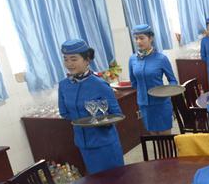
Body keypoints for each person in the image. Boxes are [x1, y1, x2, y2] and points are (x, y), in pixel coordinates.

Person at [58, 38, 124, 175]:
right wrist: (81, 120)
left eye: (74, 59)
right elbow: (64, 112)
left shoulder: (100, 84)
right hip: (83, 144)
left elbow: (116, 114)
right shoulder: (64, 85)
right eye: (66, 59)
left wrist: (98, 121)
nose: (69, 63)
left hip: (105, 144)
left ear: (87, 60)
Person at [128, 24, 177, 134]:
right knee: (153, 135)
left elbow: (173, 80)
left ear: (150, 38)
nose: (138, 42)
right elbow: (133, 82)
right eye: (136, 38)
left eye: (141, 38)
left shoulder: (161, 58)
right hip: (144, 105)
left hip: (161, 103)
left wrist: (168, 91)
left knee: (165, 139)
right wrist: (142, 93)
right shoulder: (132, 59)